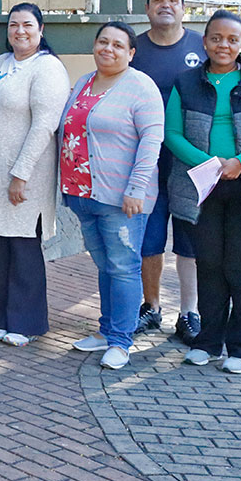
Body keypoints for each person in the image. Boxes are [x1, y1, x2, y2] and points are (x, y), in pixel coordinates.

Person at [167, 11, 241, 374]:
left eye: (232, 39)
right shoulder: (185, 83)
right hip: (203, 189)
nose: (224, 45)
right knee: (210, 267)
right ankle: (208, 342)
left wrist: (239, 161)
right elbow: (173, 134)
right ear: (204, 42)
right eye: (216, 38)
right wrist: (211, 165)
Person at [61, 21, 164, 370]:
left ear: (131, 53)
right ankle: (106, 332)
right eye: (103, 41)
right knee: (105, 266)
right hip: (83, 194)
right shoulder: (84, 83)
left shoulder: (141, 87)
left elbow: (151, 142)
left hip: (122, 199)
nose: (108, 49)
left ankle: (122, 341)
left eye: (118, 45)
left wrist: (136, 188)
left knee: (123, 268)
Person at [0, 3, 70, 347]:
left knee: (23, 248)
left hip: (23, 174)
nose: (20, 31)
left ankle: (26, 323)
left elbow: (45, 124)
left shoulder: (47, 68)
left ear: (40, 29)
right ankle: (0, 317)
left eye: (27, 24)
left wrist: (21, 174)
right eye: (13, 25)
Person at [131, 0, 204, 342]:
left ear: (183, 8)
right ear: (147, 8)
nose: (165, 4)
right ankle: (152, 306)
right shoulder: (134, 49)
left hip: (190, 160)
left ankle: (190, 311)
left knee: (189, 236)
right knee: (150, 238)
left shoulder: (201, 46)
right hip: (145, 160)